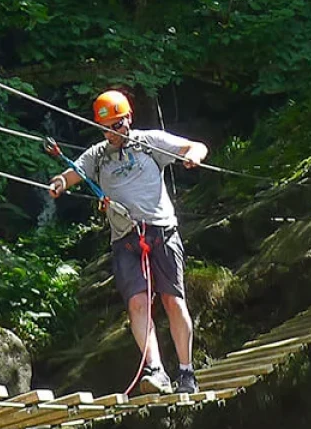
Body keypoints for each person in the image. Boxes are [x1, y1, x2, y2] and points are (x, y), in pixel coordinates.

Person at [48, 89, 208, 395]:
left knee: (173, 301)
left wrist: (192, 156)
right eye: (105, 128)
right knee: (137, 302)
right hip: (125, 239)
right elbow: (72, 173)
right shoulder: (98, 155)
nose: (111, 134)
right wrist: (59, 183)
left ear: (128, 120)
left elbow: (195, 146)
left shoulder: (149, 143)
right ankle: (155, 370)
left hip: (161, 232)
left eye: (116, 127)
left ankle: (186, 372)